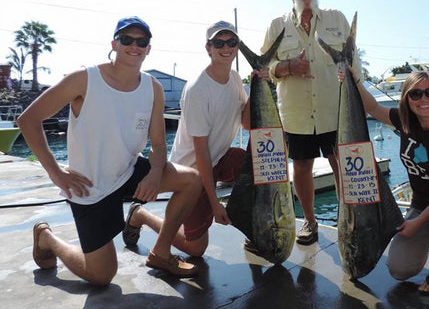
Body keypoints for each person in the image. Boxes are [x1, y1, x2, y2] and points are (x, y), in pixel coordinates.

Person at [18, 16, 203, 285]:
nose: (134, 45)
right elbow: (28, 120)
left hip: (128, 172)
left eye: (142, 41)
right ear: (114, 43)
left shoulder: (153, 88)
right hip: (89, 187)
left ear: (149, 48)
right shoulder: (84, 79)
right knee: (102, 276)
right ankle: (47, 238)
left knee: (191, 180)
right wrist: (56, 172)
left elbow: (160, 144)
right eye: (127, 39)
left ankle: (160, 253)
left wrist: (154, 173)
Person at [122, 20, 269, 257]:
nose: (226, 47)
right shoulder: (198, 89)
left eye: (231, 42)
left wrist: (256, 86)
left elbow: (246, 123)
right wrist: (214, 203)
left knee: (255, 163)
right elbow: (201, 153)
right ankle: (140, 215)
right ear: (208, 47)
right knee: (195, 249)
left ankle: (252, 228)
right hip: (193, 171)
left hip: (219, 159)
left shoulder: (234, 78)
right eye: (218, 42)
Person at [341, 67, 429, 296]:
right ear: (407, 98)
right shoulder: (405, 121)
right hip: (423, 207)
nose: (424, 99)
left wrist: (416, 224)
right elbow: (372, 107)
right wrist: (354, 79)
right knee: (399, 269)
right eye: (415, 94)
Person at [261, 0, 361, 245]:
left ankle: (348, 219)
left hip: (334, 109)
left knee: (341, 164)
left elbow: (353, 59)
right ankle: (309, 220)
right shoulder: (275, 25)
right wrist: (288, 66)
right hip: (296, 114)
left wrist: (357, 86)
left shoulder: (336, 18)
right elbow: (264, 68)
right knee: (302, 166)